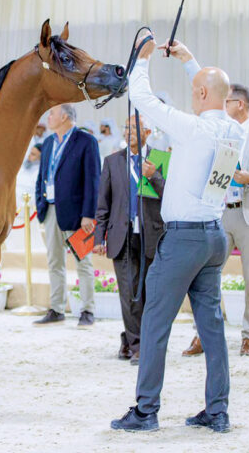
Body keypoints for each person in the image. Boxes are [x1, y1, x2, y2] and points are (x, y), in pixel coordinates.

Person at [110, 36, 243, 433]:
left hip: (183, 239)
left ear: (200, 94)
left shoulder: (191, 129)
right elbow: (212, 90)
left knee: (154, 323)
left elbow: (144, 100)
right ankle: (218, 410)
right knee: (212, 327)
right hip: (214, 237)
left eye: (193, 91)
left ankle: (146, 410)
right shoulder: (237, 131)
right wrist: (189, 60)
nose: (192, 96)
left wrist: (143, 61)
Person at [182, 84, 249, 357]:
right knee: (207, 276)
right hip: (219, 212)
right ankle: (201, 334)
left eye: (225, 102)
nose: (221, 107)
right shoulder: (219, 132)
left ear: (239, 104)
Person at [94, 114, 165, 366]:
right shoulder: (113, 162)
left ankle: (129, 338)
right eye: (126, 128)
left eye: (135, 128)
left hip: (151, 236)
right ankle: (137, 346)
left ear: (147, 132)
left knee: (148, 293)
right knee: (129, 293)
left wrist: (154, 175)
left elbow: (167, 195)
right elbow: (103, 202)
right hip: (121, 236)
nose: (129, 132)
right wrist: (98, 237)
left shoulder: (159, 158)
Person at [33, 104, 101, 328]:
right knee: (54, 262)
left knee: (83, 262)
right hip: (51, 211)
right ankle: (57, 309)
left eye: (51, 113)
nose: (48, 117)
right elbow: (42, 176)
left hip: (78, 214)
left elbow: (93, 181)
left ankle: (87, 310)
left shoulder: (85, 141)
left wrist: (89, 214)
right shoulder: (49, 142)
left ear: (64, 116)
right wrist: (40, 204)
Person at [16, 143, 42, 208]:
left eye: (33, 154)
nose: (29, 156)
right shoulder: (22, 168)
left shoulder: (40, 172)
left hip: (27, 208)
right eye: (30, 153)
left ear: (40, 157)